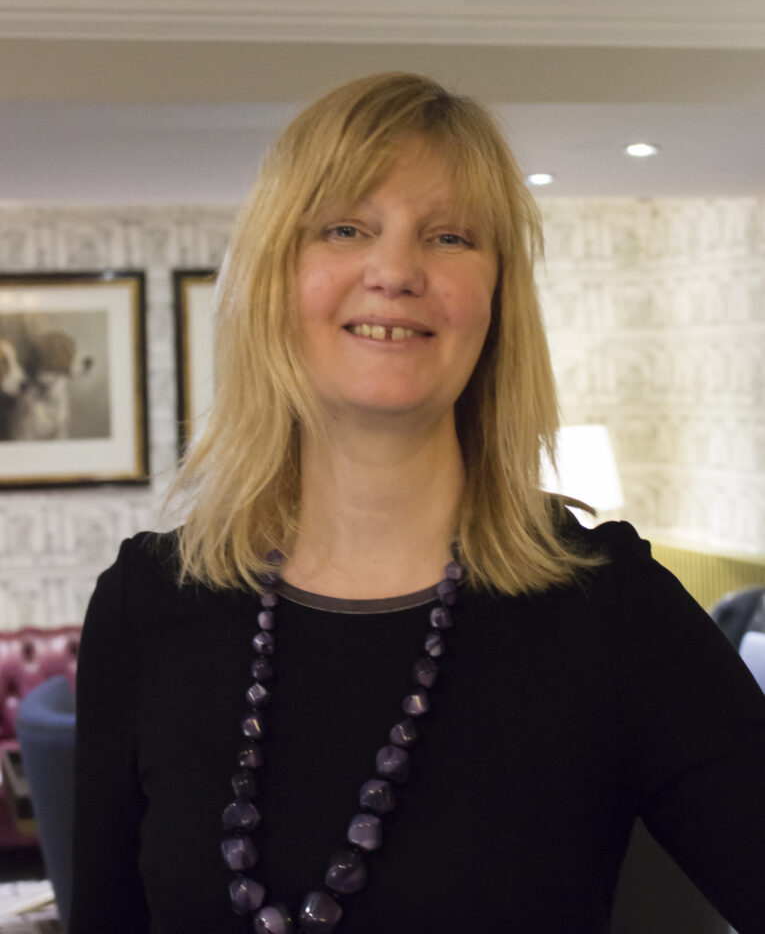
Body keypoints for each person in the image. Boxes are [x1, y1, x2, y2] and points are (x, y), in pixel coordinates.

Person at [69, 73, 765, 934]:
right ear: (275, 279)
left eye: (448, 237)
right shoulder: (147, 604)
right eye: (346, 228)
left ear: (497, 299)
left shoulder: (606, 602)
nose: (395, 271)